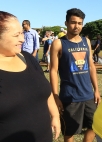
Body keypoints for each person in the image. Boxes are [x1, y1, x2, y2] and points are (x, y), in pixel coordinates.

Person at [0, 11, 60, 141]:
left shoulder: (28, 58)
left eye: (22, 32)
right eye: (16, 35)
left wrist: (55, 115)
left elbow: (46, 91)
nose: (22, 38)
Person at [50, 8, 101, 142]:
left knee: (94, 126)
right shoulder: (58, 43)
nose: (76, 26)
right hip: (70, 96)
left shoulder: (86, 41)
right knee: (69, 131)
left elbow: (91, 66)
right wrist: (55, 96)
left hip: (88, 95)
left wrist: (96, 90)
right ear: (66, 23)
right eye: (73, 22)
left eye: (79, 23)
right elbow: (53, 71)